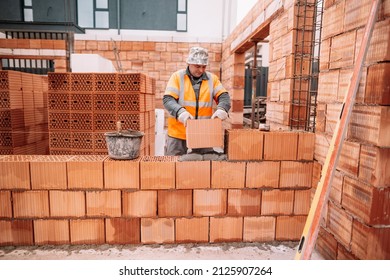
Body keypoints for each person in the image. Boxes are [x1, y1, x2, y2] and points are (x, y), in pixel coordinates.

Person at [163, 46, 231, 156]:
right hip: (178, 133)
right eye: (198, 66)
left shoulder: (212, 79)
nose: (201, 70)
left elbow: (224, 96)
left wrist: (222, 109)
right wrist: (181, 113)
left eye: (204, 67)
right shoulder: (177, 77)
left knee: (203, 168)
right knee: (174, 167)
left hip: (202, 132)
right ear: (189, 63)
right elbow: (168, 100)